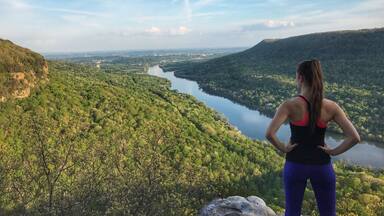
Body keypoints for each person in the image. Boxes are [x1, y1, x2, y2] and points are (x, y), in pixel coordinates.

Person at [265, 59, 361, 216]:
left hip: (295, 164)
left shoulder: (289, 105)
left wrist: (284, 148)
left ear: (300, 78)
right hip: (322, 166)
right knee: (328, 213)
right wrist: (334, 152)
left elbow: (269, 134)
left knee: (292, 212)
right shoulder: (331, 107)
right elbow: (354, 137)